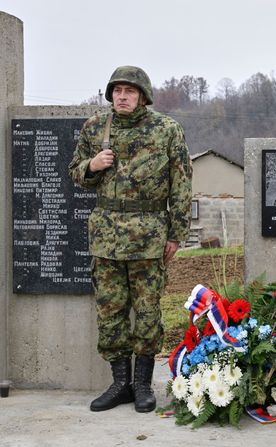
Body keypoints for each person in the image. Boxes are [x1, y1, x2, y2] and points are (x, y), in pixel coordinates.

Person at [69, 66, 192, 413]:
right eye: (117, 91)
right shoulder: (95, 127)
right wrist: (92, 165)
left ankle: (142, 384)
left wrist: (176, 234)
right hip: (106, 236)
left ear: (143, 96)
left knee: (148, 311)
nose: (122, 96)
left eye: (130, 91)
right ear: (110, 95)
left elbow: (182, 185)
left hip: (149, 236)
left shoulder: (166, 129)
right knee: (110, 310)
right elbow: (75, 172)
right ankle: (120, 383)